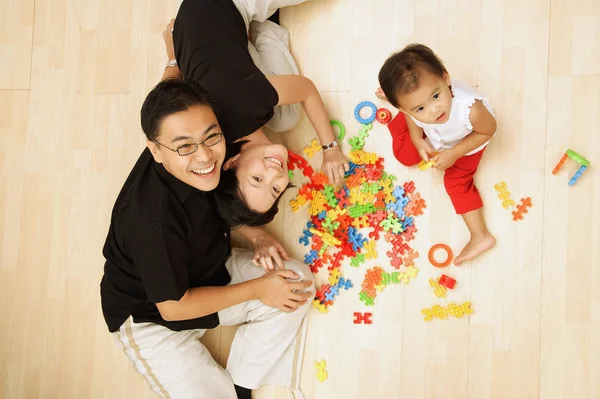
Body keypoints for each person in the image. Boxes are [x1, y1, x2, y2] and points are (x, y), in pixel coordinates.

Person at [100, 79, 316, 399]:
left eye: (211, 137)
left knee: (297, 282)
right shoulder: (150, 223)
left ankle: (242, 385)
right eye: (185, 146)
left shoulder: (197, 125)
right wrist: (257, 288)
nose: (205, 157)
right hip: (154, 318)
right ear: (155, 151)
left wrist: (257, 236)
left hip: (210, 270)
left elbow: (222, 200)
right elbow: (173, 308)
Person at [161, 0, 349, 217]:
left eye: (257, 179)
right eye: (275, 189)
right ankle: (263, 26)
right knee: (286, 119)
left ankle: (260, 21)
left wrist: (331, 148)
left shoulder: (246, 102)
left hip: (219, 5)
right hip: (206, 28)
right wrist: (174, 59)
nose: (274, 174)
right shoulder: (222, 131)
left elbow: (306, 89)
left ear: (232, 162)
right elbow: (169, 93)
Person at [377, 43, 497, 265]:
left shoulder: (471, 109)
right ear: (405, 110)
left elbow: (488, 131)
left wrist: (455, 153)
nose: (434, 110)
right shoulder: (417, 113)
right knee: (405, 155)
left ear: (446, 79)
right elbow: (414, 121)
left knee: (455, 182)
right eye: (419, 108)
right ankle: (397, 98)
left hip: (468, 142)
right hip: (436, 135)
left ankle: (480, 236)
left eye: (436, 95)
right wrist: (416, 139)